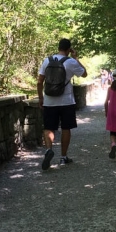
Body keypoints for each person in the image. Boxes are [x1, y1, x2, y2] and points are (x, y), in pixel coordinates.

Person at [37, 38, 88, 169]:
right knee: (66, 128)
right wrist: (75, 58)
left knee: (49, 127)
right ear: (68, 49)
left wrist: (41, 99)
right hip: (66, 101)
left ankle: (49, 149)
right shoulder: (70, 62)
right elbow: (84, 74)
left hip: (49, 100)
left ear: (58, 47)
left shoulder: (47, 60)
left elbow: (39, 82)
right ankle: (63, 157)